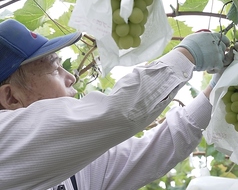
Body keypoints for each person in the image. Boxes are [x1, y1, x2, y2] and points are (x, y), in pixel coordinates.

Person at [0, 19, 231, 190]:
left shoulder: (71, 166)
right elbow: (117, 112)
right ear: (10, 98)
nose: (71, 77)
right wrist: (187, 56)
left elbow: (155, 149)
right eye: (53, 68)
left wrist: (216, 91)